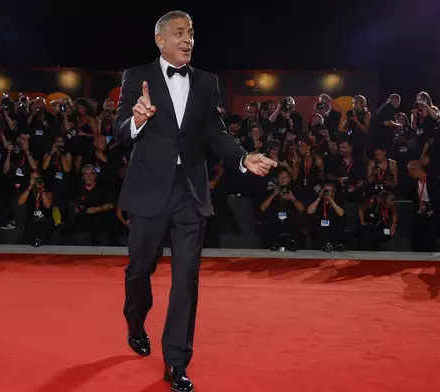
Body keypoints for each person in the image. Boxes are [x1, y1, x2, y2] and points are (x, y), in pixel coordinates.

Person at [113, 10, 277, 392]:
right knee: (139, 271)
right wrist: (137, 120)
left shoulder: (206, 82)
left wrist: (241, 157)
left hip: (191, 191)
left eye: (191, 33)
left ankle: (176, 361)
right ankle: (135, 322)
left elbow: (215, 133)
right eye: (179, 33)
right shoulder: (136, 77)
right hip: (149, 190)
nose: (188, 39)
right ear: (160, 40)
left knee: (186, 279)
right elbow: (120, 131)